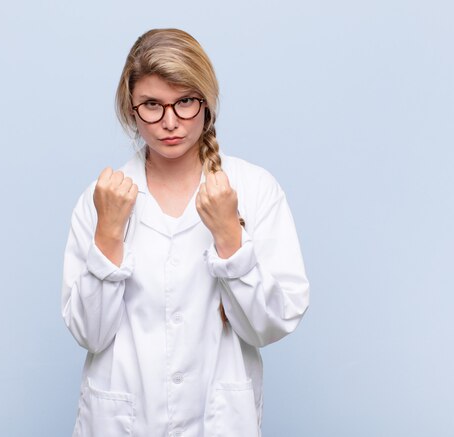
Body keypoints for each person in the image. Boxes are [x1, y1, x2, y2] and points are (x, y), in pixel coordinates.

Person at [61, 28, 309, 437]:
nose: (170, 122)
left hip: (218, 421)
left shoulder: (253, 189)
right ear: (131, 108)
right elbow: (90, 333)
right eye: (152, 105)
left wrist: (230, 239)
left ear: (207, 103)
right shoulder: (102, 197)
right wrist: (107, 235)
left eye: (185, 103)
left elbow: (271, 325)